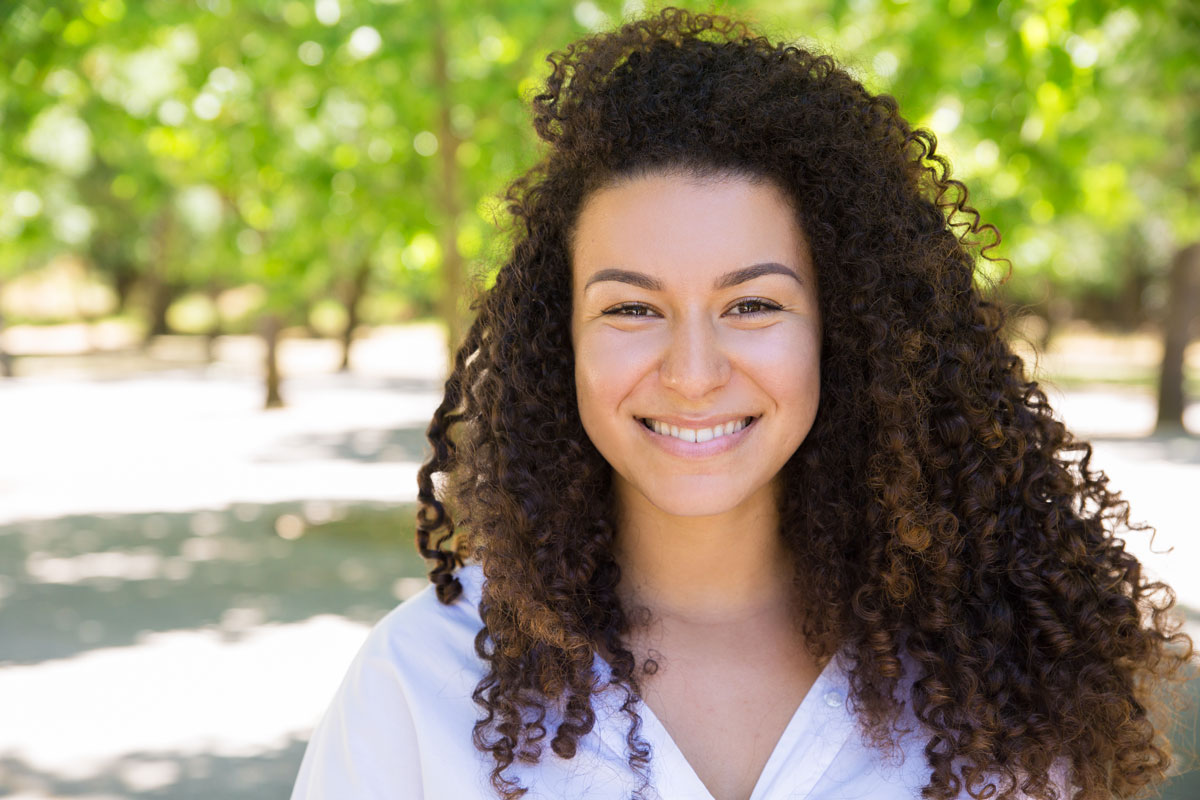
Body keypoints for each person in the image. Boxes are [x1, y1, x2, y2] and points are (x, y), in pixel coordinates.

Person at [291, 8, 1194, 800]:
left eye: (753, 305)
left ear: (842, 329)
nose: (692, 371)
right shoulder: (420, 683)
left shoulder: (993, 679)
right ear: (558, 339)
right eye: (631, 308)